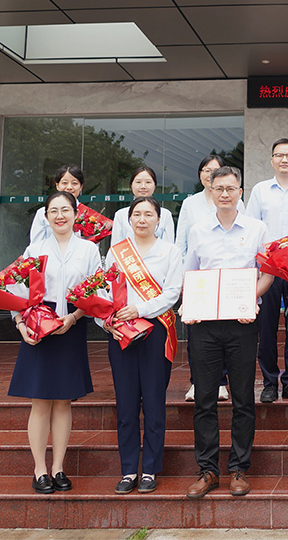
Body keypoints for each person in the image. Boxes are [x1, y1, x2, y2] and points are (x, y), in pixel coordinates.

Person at [180, 167, 272, 498]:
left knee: (244, 397)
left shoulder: (258, 228)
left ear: (240, 191)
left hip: (243, 324)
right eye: (219, 188)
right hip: (204, 325)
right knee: (205, 397)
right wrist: (187, 307)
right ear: (211, 190)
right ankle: (208, 469)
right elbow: (190, 272)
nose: (224, 194)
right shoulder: (198, 229)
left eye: (230, 189)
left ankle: (238, 469)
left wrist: (250, 299)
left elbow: (267, 273)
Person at [7, 191, 97, 494]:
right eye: (53, 211)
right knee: (41, 401)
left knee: (63, 401)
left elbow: (96, 290)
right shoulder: (35, 249)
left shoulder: (88, 249)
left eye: (66, 210)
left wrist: (73, 318)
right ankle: (40, 469)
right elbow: (14, 288)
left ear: (76, 215)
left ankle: (59, 467)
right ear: (46, 217)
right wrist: (20, 324)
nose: (60, 215)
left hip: (71, 326)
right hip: (38, 327)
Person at [102, 196, 182, 495]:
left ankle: (149, 468)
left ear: (158, 220)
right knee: (125, 405)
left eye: (149, 214)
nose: (142, 220)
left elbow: (172, 293)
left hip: (155, 332)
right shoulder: (116, 253)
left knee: (153, 404)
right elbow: (104, 292)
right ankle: (127, 470)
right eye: (137, 214)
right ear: (129, 219)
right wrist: (106, 321)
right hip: (121, 334)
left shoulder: (170, 252)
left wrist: (140, 310)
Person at [245, 138, 288, 404]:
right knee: (267, 328)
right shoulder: (261, 191)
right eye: (279, 155)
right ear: (272, 160)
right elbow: (252, 228)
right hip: (269, 269)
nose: (284, 159)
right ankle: (268, 382)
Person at [175, 154, 237, 403]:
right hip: (200, 279)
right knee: (197, 336)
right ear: (201, 175)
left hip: (230, 278)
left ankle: (221, 382)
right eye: (205, 170)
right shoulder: (191, 203)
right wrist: (182, 281)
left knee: (224, 334)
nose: (210, 173)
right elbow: (183, 243)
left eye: (216, 169)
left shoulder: (233, 200)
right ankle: (196, 382)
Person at [112, 166, 175, 246]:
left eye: (148, 182)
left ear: (155, 185)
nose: (143, 186)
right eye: (138, 182)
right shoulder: (120, 215)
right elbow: (116, 247)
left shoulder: (165, 214)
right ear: (131, 185)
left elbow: (169, 246)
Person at [29, 164, 85, 245]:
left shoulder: (89, 216)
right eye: (65, 183)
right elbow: (36, 244)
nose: (69, 187)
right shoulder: (42, 213)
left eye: (74, 183)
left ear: (81, 187)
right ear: (57, 185)